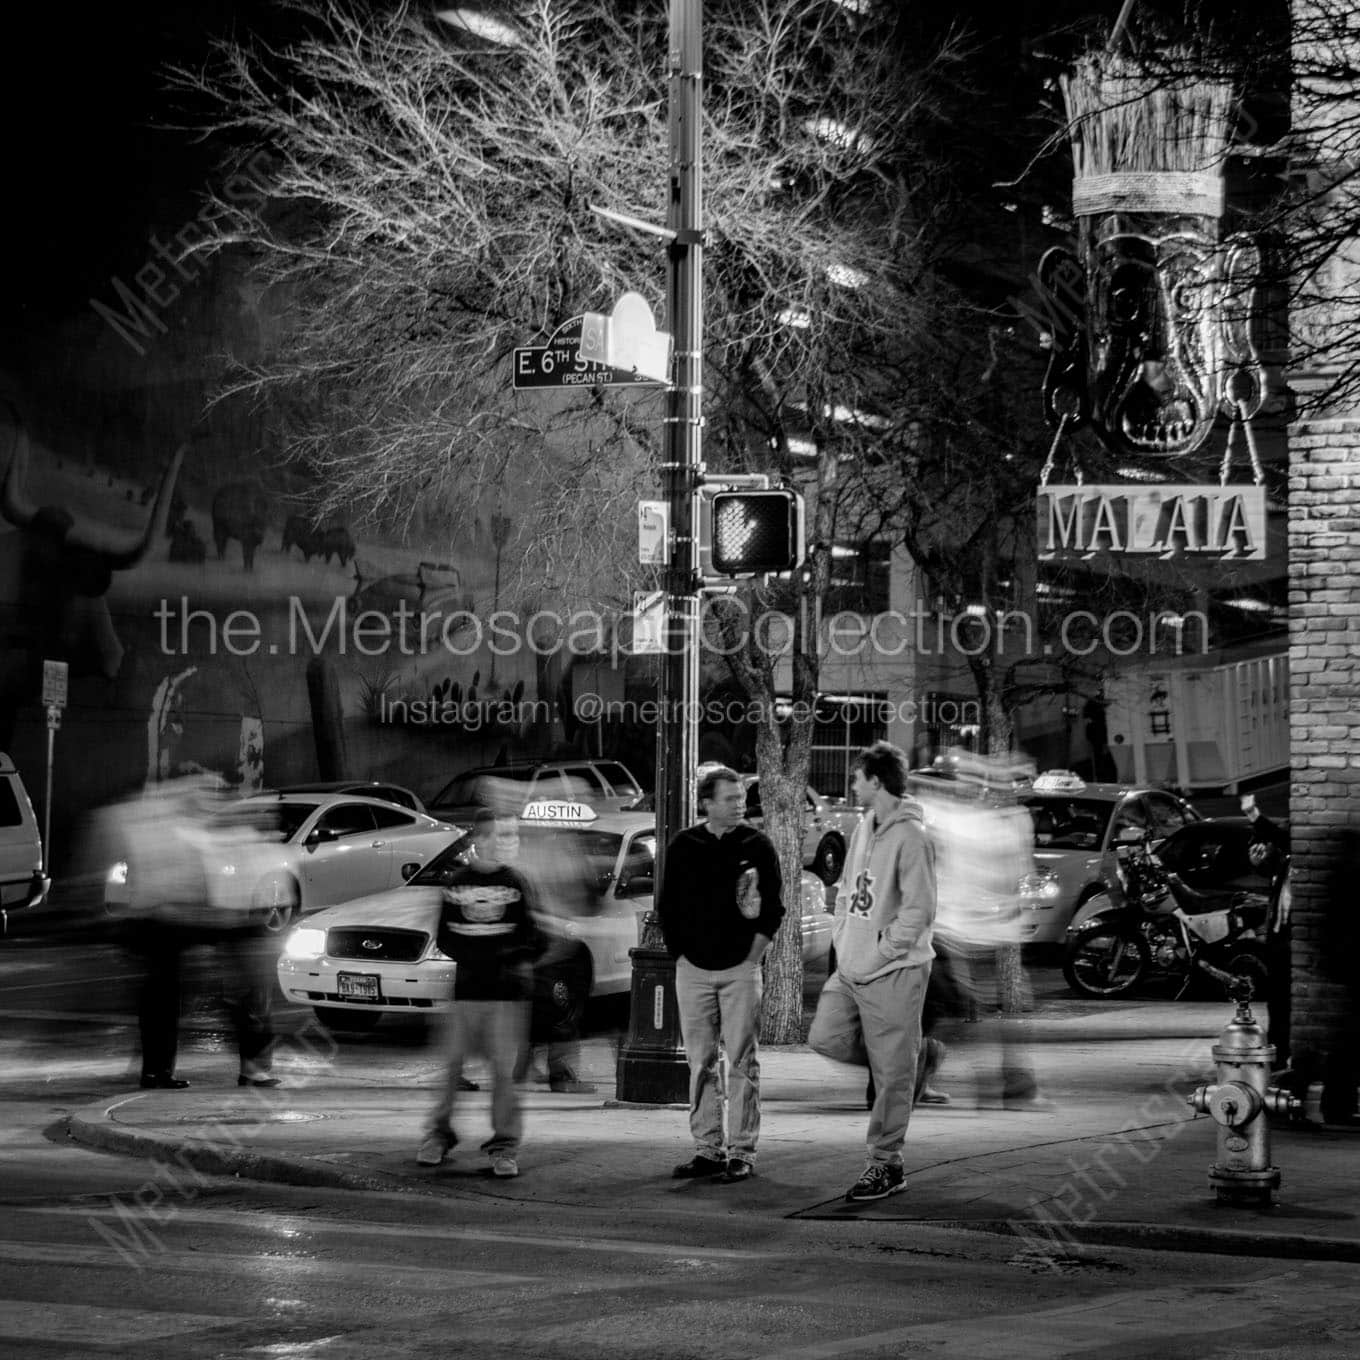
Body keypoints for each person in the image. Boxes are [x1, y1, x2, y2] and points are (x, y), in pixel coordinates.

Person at [809, 741, 936, 1202]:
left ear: (876, 781)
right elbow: (847, 888)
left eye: (857, 778)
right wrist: (844, 936)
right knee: (824, 1036)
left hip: (896, 971)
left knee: (891, 1076)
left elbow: (919, 909)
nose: (852, 786)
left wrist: (882, 950)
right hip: (853, 965)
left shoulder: (912, 837)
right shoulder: (864, 825)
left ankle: (885, 1164)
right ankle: (910, 1063)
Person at [657, 765, 783, 1183]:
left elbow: (773, 908)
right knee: (701, 1062)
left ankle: (742, 1151)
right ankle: (707, 1147)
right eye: (730, 798)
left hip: (739, 970)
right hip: (692, 969)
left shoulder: (756, 845)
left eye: (741, 797)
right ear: (707, 803)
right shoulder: (684, 846)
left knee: (744, 1062)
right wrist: (680, 956)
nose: (739, 804)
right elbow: (668, 906)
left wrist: (752, 959)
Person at [417, 810, 543, 1178]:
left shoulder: (517, 881)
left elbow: (531, 935)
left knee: (503, 1075)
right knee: (451, 1069)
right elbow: (445, 935)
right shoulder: (456, 883)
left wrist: (502, 958)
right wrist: (481, 955)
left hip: (506, 995)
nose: (508, 842)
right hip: (467, 992)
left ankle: (504, 1146)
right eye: (502, 835)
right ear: (481, 839)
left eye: (512, 835)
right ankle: (439, 1136)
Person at [1241, 793, 1292, 1069]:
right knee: (1278, 1003)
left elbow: (1280, 836)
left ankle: (1283, 1053)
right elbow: (1270, 865)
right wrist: (1259, 861)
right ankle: (1279, 1053)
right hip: (1280, 939)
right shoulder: (1287, 862)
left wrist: (1253, 815)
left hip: (1292, 942)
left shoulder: (1304, 857)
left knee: (1283, 1003)